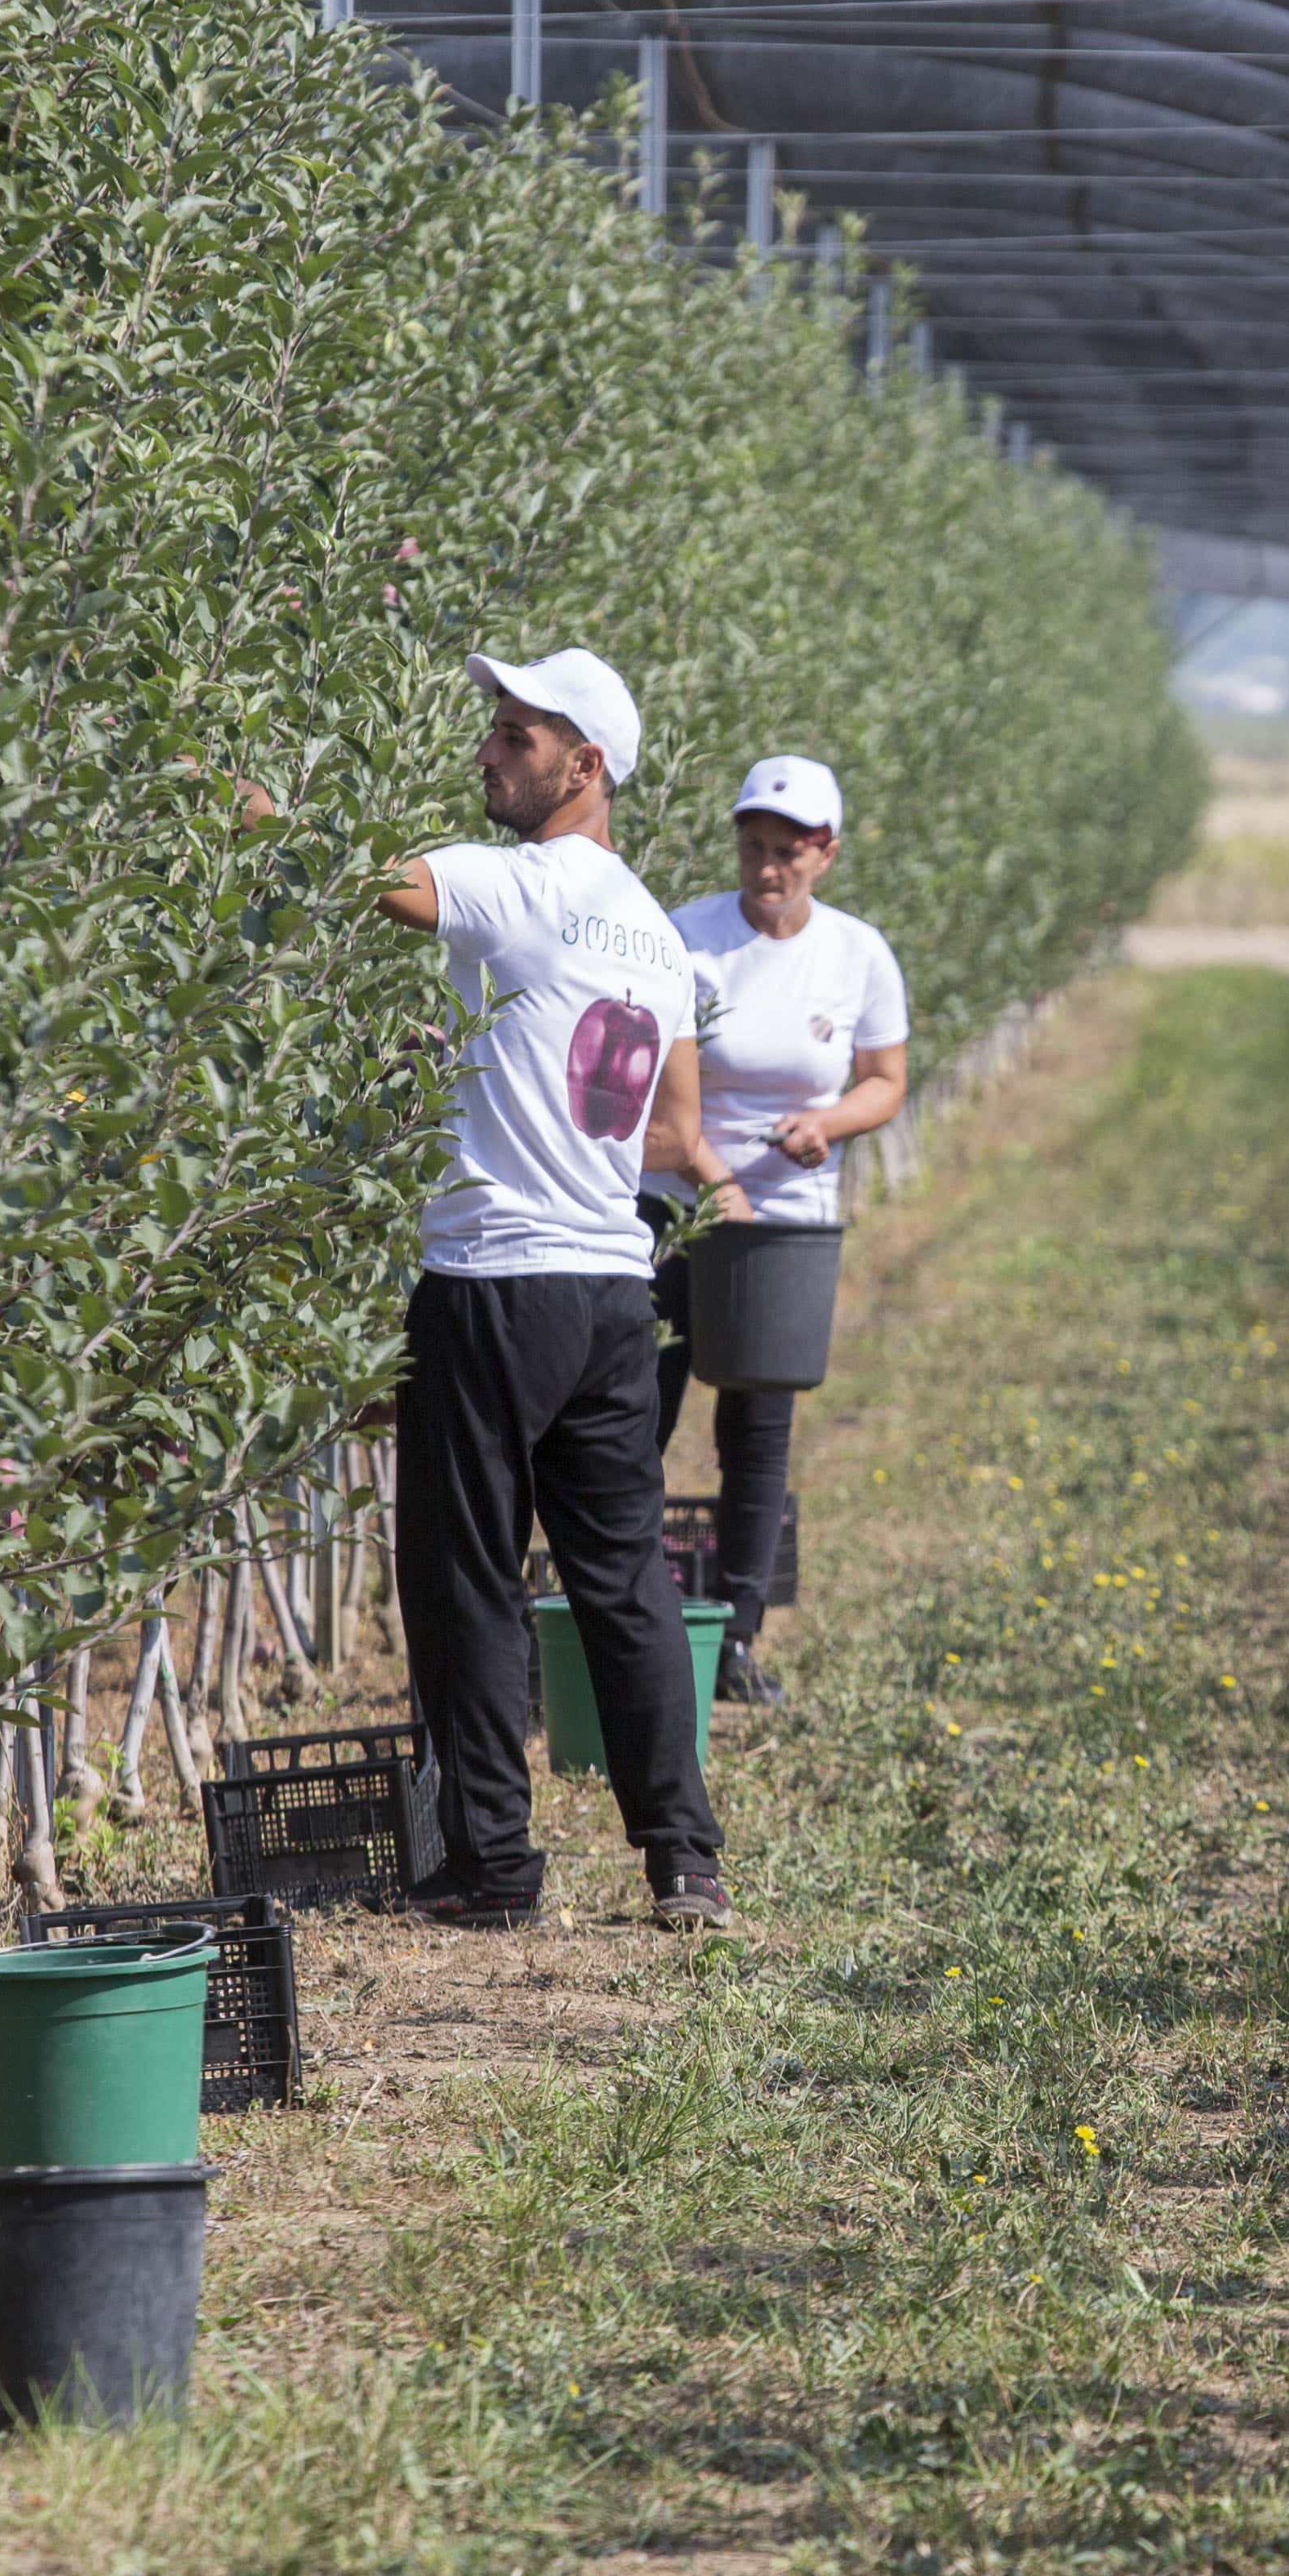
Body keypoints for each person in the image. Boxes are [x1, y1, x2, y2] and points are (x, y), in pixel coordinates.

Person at [371, 648, 732, 1932]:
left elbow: (369, 879)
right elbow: (673, 1128)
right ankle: (683, 1859)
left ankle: (493, 1867)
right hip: (610, 1291)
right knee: (624, 1579)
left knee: (465, 1573)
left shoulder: (521, 885)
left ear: (583, 766)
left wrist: (219, 784)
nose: (487, 751)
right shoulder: (654, 930)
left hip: (491, 1282)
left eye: (515, 736)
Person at [648, 754, 910, 1710]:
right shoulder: (685, 941)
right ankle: (637, 1630)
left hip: (785, 1226)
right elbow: (651, 1084)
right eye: (754, 847)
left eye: (789, 853)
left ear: (826, 855)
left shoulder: (857, 955)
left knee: (758, 1428)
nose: (768, 868)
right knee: (640, 1413)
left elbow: (885, 1081)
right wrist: (711, 1178)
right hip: (673, 1207)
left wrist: (827, 1125)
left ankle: (735, 1638)